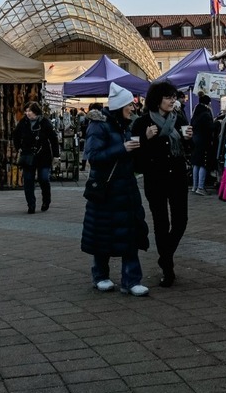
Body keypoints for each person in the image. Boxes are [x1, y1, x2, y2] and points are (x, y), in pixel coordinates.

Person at [81, 83, 149, 296]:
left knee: (129, 233)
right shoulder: (99, 125)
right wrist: (122, 148)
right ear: (120, 105)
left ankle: (131, 279)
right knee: (104, 233)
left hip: (126, 188)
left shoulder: (125, 125)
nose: (133, 108)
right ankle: (100, 275)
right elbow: (93, 156)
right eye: (129, 104)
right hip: (106, 190)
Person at [132, 81, 192, 289]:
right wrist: (145, 138)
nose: (172, 100)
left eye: (174, 97)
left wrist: (188, 139)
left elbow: (187, 148)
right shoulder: (142, 123)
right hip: (155, 178)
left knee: (181, 220)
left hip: (177, 177)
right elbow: (134, 154)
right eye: (168, 97)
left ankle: (164, 256)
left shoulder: (179, 119)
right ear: (157, 99)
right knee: (161, 223)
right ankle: (168, 268)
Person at [13, 102, 60, 214]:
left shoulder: (44, 122)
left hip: (43, 155)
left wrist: (56, 155)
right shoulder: (23, 122)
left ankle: (46, 200)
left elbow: (53, 139)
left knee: (43, 178)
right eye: (27, 111)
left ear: (36, 111)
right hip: (28, 155)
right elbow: (15, 135)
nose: (28, 113)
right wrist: (18, 148)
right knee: (28, 180)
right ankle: (31, 204)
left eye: (30, 111)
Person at [190, 93, 215, 195]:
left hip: (196, 140)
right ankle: (200, 187)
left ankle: (195, 186)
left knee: (196, 163)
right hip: (204, 141)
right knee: (203, 163)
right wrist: (217, 124)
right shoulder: (206, 113)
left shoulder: (196, 113)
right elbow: (210, 127)